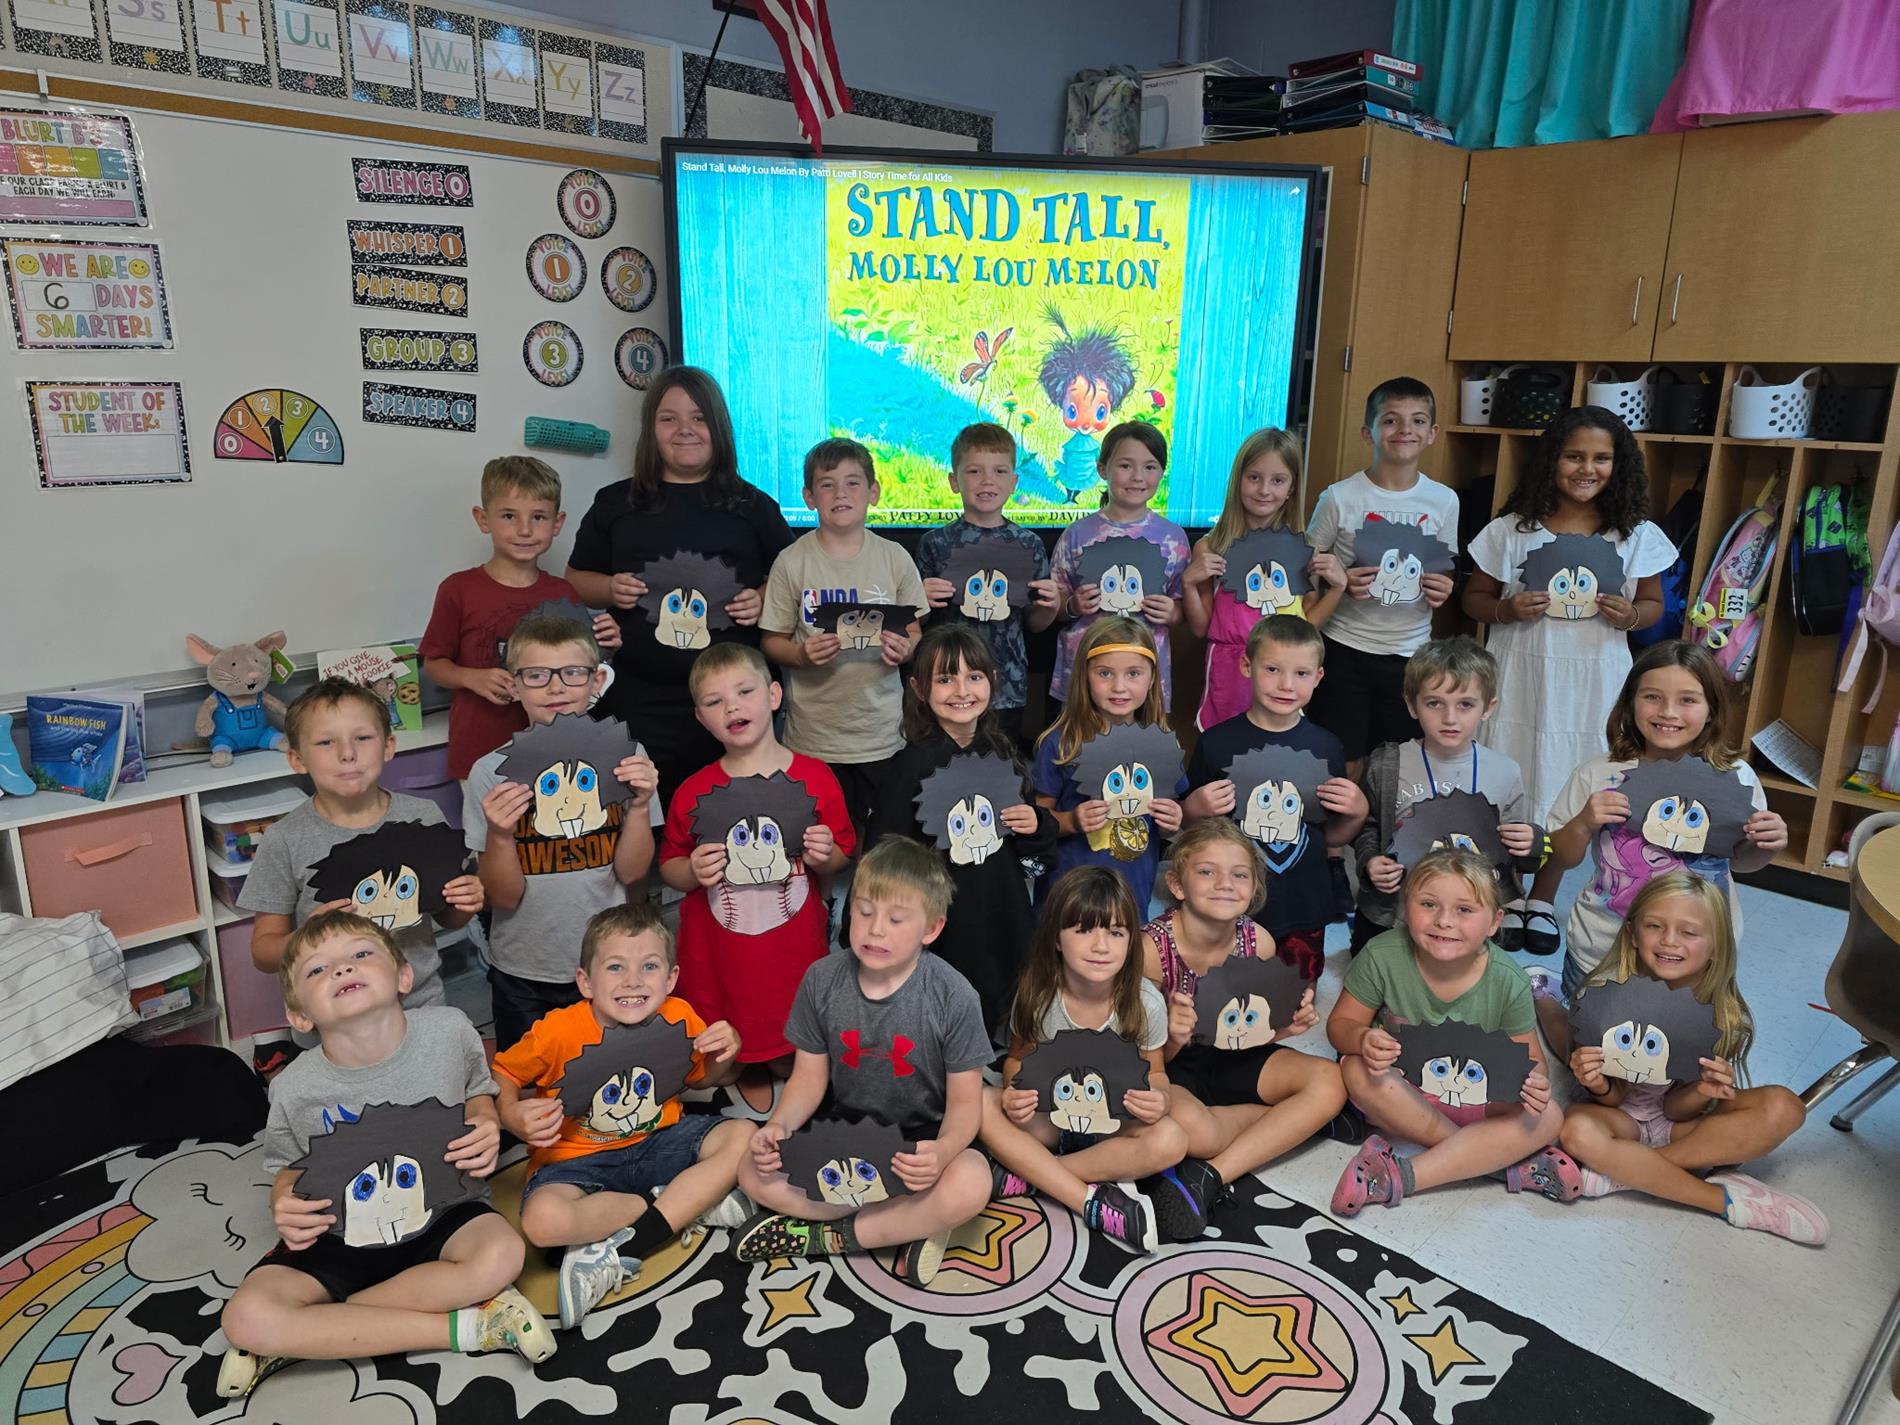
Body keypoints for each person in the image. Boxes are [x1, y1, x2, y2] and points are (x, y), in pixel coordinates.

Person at [216, 911, 555, 1399]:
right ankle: (471, 1329)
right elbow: (289, 1170)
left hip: (444, 1210)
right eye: (317, 969)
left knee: (503, 1254)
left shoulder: (449, 1029)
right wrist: (282, 1203)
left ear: (403, 976)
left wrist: (485, 1121)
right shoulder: (292, 1087)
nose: (341, 969)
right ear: (299, 1017)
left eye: (359, 954)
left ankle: (310, 1336)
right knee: (245, 1316)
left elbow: (479, 1094)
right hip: (339, 1233)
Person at [731, 838, 993, 1285]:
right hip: (847, 1132)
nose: (874, 930)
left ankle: (829, 1236)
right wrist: (779, 1126)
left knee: (972, 1183)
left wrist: (943, 1151)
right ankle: (909, 1225)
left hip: (921, 1140)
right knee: (750, 1170)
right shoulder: (822, 979)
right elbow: (808, 1079)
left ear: (930, 929)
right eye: (864, 911)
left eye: (895, 919)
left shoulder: (954, 996)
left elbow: (967, 1104)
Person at [1461, 407, 1675, 947]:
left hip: (1595, 682)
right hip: (1520, 676)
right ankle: (1508, 894)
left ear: (1618, 465)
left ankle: (1544, 897)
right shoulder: (1512, 531)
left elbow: (1652, 605)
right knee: (1514, 777)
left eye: (1601, 458)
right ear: (1551, 460)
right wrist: (1507, 610)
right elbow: (1475, 599)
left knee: (1574, 782)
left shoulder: (1635, 534)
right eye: (1574, 455)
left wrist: (1630, 616)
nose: (1587, 468)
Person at [493, 904, 752, 1328]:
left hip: (660, 1141)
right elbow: (501, 1072)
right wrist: (510, 1113)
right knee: (542, 1223)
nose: (633, 981)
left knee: (743, 1137)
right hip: (575, 1162)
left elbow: (704, 1081)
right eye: (615, 967)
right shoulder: (556, 1031)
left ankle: (635, 1234)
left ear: (670, 979)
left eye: (649, 967)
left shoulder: (679, 1015)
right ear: (585, 981)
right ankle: (679, 1204)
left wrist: (728, 1053)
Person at [565, 367, 795, 802]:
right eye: (669, 418)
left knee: (734, 820)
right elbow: (575, 581)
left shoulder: (753, 506)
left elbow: (795, 579)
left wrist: (763, 598)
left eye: (699, 418)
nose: (685, 429)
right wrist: (611, 589)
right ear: (650, 429)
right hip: (639, 697)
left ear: (719, 427)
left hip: (735, 702)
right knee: (645, 822)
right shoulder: (616, 502)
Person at [1559, 872, 1826, 1243]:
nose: (1669, 941)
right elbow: (1614, 1098)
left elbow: (1675, 1111)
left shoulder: (1724, 1017)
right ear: (1634, 934)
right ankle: (1719, 1199)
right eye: (1655, 926)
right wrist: (1596, 1082)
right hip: (1619, 1119)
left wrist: (1703, 1090)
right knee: (1577, 1129)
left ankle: (1630, 1171)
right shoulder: (1601, 998)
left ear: (1717, 946)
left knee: (1785, 1107)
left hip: (1678, 1130)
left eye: (1689, 932)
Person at [1326, 848, 1576, 1216]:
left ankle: (1400, 1174)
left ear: (1494, 922)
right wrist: (1362, 1039)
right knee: (1353, 1067)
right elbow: (1339, 1027)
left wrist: (1535, 1084)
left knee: (1550, 1116)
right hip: (1402, 1093)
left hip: (1476, 1097)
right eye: (1428, 904)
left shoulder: (1509, 980)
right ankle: (1489, 1162)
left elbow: (1531, 1060)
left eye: (1464, 909)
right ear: (1404, 907)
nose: (1444, 921)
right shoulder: (1382, 955)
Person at [1538, 641, 1786, 1007]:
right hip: (1601, 947)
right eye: (1652, 697)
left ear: (1711, 710)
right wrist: (1582, 823)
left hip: (1697, 954)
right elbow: (1558, 855)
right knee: (1586, 1048)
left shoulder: (1736, 778)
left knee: (1675, 1051)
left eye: (1688, 700)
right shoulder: (1599, 773)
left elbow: (1743, 862)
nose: (1668, 712)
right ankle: (1547, 1006)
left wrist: (1766, 844)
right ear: (1630, 703)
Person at [464, 614, 662, 1051]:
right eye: (537, 675)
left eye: (572, 673)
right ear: (514, 685)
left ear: (597, 681)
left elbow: (631, 875)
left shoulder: (627, 758)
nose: (556, 688)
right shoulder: (489, 773)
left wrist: (642, 804)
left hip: (609, 962)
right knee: (532, 1082)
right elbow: (503, 897)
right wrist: (499, 834)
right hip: (524, 969)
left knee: (614, 1070)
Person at [1140, 818, 1349, 1232]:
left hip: (1237, 1055)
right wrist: (1175, 1039)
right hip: (1169, 1064)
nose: (1224, 883)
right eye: (1206, 871)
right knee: (1193, 1134)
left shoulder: (1259, 941)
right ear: (1178, 885)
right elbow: (1142, 1060)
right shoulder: (1150, 950)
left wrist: (1285, 1030)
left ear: (1253, 889)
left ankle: (1212, 1175)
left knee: (1330, 1080)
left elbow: (1255, 1034)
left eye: (1240, 874)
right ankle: (1294, 1123)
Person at [659, 644, 854, 1083]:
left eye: (744, 691)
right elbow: (669, 864)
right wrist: (691, 870)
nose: (731, 706)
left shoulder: (816, 777)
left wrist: (826, 856)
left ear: (773, 696)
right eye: (714, 701)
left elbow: (841, 857)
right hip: (718, 952)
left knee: (793, 1057)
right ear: (700, 718)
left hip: (792, 946)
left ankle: (783, 1051)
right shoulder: (694, 791)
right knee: (715, 1071)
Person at [243, 678, 482, 1018]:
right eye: (326, 742)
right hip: (334, 1017)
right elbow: (263, 953)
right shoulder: (283, 839)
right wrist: (307, 937)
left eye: (363, 738)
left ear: (388, 746)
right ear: (297, 759)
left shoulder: (422, 816)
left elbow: (448, 916)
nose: (347, 753)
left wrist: (466, 901)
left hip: (420, 1005)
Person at [982, 867, 1186, 1253]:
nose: (1100, 946)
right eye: (1083, 930)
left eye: (1115, 932)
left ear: (1130, 941)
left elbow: (1156, 1073)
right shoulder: (1040, 997)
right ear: (1056, 939)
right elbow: (1015, 1060)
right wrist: (1013, 1090)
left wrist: (1159, 1099)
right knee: (979, 1102)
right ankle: (1092, 1199)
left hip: (1113, 1128)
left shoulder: (1144, 1002)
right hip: (1050, 1123)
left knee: (1172, 1139)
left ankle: (1030, 1178)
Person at [864, 624, 1055, 1035]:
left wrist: (1035, 823)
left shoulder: (1005, 755)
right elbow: (883, 853)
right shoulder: (911, 766)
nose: (962, 690)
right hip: (945, 912)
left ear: (994, 681)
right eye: (945, 678)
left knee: (1002, 989)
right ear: (919, 688)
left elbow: (1034, 854)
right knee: (945, 1005)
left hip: (1000, 901)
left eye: (974, 676)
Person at [1181, 616, 1368, 981]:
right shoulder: (1216, 743)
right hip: (1230, 905)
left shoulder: (1327, 748)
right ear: (1246, 665)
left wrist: (1358, 814)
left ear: (1318, 677)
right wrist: (1193, 809)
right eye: (1272, 669)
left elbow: (1325, 837)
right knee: (1224, 1000)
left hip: (1302, 904)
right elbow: (1189, 832)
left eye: (1301, 674)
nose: (1286, 685)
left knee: (1295, 1004)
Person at [759, 437, 927, 836]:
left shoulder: (894, 558)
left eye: (853, 483)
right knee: (820, 839)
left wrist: (906, 649)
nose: (840, 493)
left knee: (884, 838)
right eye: (827, 484)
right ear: (809, 496)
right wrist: (800, 654)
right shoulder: (792, 561)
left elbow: (916, 630)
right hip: (814, 736)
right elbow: (771, 640)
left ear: (873, 492)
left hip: (882, 734)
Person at [419, 455, 621, 782]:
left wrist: (609, 644)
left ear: (558, 523)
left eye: (539, 517)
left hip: (554, 754)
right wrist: (473, 677)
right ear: (483, 519)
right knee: (490, 833)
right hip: (480, 752)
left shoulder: (564, 594)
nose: (525, 530)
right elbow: (434, 665)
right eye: (509, 516)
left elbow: (585, 668)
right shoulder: (458, 589)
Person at [1305, 377, 1460, 775]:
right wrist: (1339, 580)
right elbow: (1306, 564)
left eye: (1418, 421)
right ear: (1368, 431)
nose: (1405, 430)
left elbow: (1444, 568)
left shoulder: (1444, 500)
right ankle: (1341, 836)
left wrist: (1445, 586)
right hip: (1344, 648)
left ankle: (1384, 836)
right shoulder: (1339, 497)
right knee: (1344, 759)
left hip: (1410, 653)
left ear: (1432, 434)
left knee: (1396, 760)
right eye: (1391, 420)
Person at [1350, 637, 1542, 954]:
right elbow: (1368, 828)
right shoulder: (1387, 763)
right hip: (1392, 916)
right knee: (1370, 991)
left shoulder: (1505, 772)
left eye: (1465, 704)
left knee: (1458, 995)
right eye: (1434, 703)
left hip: (1464, 921)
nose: (1450, 718)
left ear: (1488, 708)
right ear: (1412, 705)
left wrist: (1533, 843)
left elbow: (1515, 853)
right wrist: (1370, 862)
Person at [1181, 429, 1345, 732]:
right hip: (1229, 670)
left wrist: (1338, 588)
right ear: (1238, 480)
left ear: (1292, 488)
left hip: (1283, 671)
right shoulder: (1212, 546)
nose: (1264, 490)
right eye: (1254, 477)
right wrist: (1189, 583)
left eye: (1278, 480)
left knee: (1275, 751)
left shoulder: (1304, 548)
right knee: (1223, 747)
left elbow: (1306, 626)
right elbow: (1201, 626)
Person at [916, 421, 1061, 745]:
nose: (987, 481)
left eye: (998, 472)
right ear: (954, 481)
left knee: (1000, 771)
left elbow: (1034, 624)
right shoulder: (935, 543)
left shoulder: (1029, 544)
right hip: (949, 684)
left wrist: (1050, 608)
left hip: (1007, 684)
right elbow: (921, 622)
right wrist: (919, 600)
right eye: (974, 472)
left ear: (1013, 482)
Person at [1031, 617, 1186, 917]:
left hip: (1132, 893)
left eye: (1133, 674)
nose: (1119, 686)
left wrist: (1174, 821)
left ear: (1153, 678)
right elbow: (1039, 820)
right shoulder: (1060, 743)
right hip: (1069, 895)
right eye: (1104, 673)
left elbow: (1175, 815)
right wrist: (1072, 821)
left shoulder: (1161, 746)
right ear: (1084, 676)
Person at [1049, 422, 1190, 711]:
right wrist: (1073, 605)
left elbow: (1181, 605)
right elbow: (1057, 604)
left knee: (1139, 752)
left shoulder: (1172, 537)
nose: (1138, 477)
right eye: (1126, 465)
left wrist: (1172, 612)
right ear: (1102, 470)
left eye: (1150, 467)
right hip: (1086, 671)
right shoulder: (1077, 534)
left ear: (1162, 473)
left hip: (1144, 677)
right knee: (1078, 750)